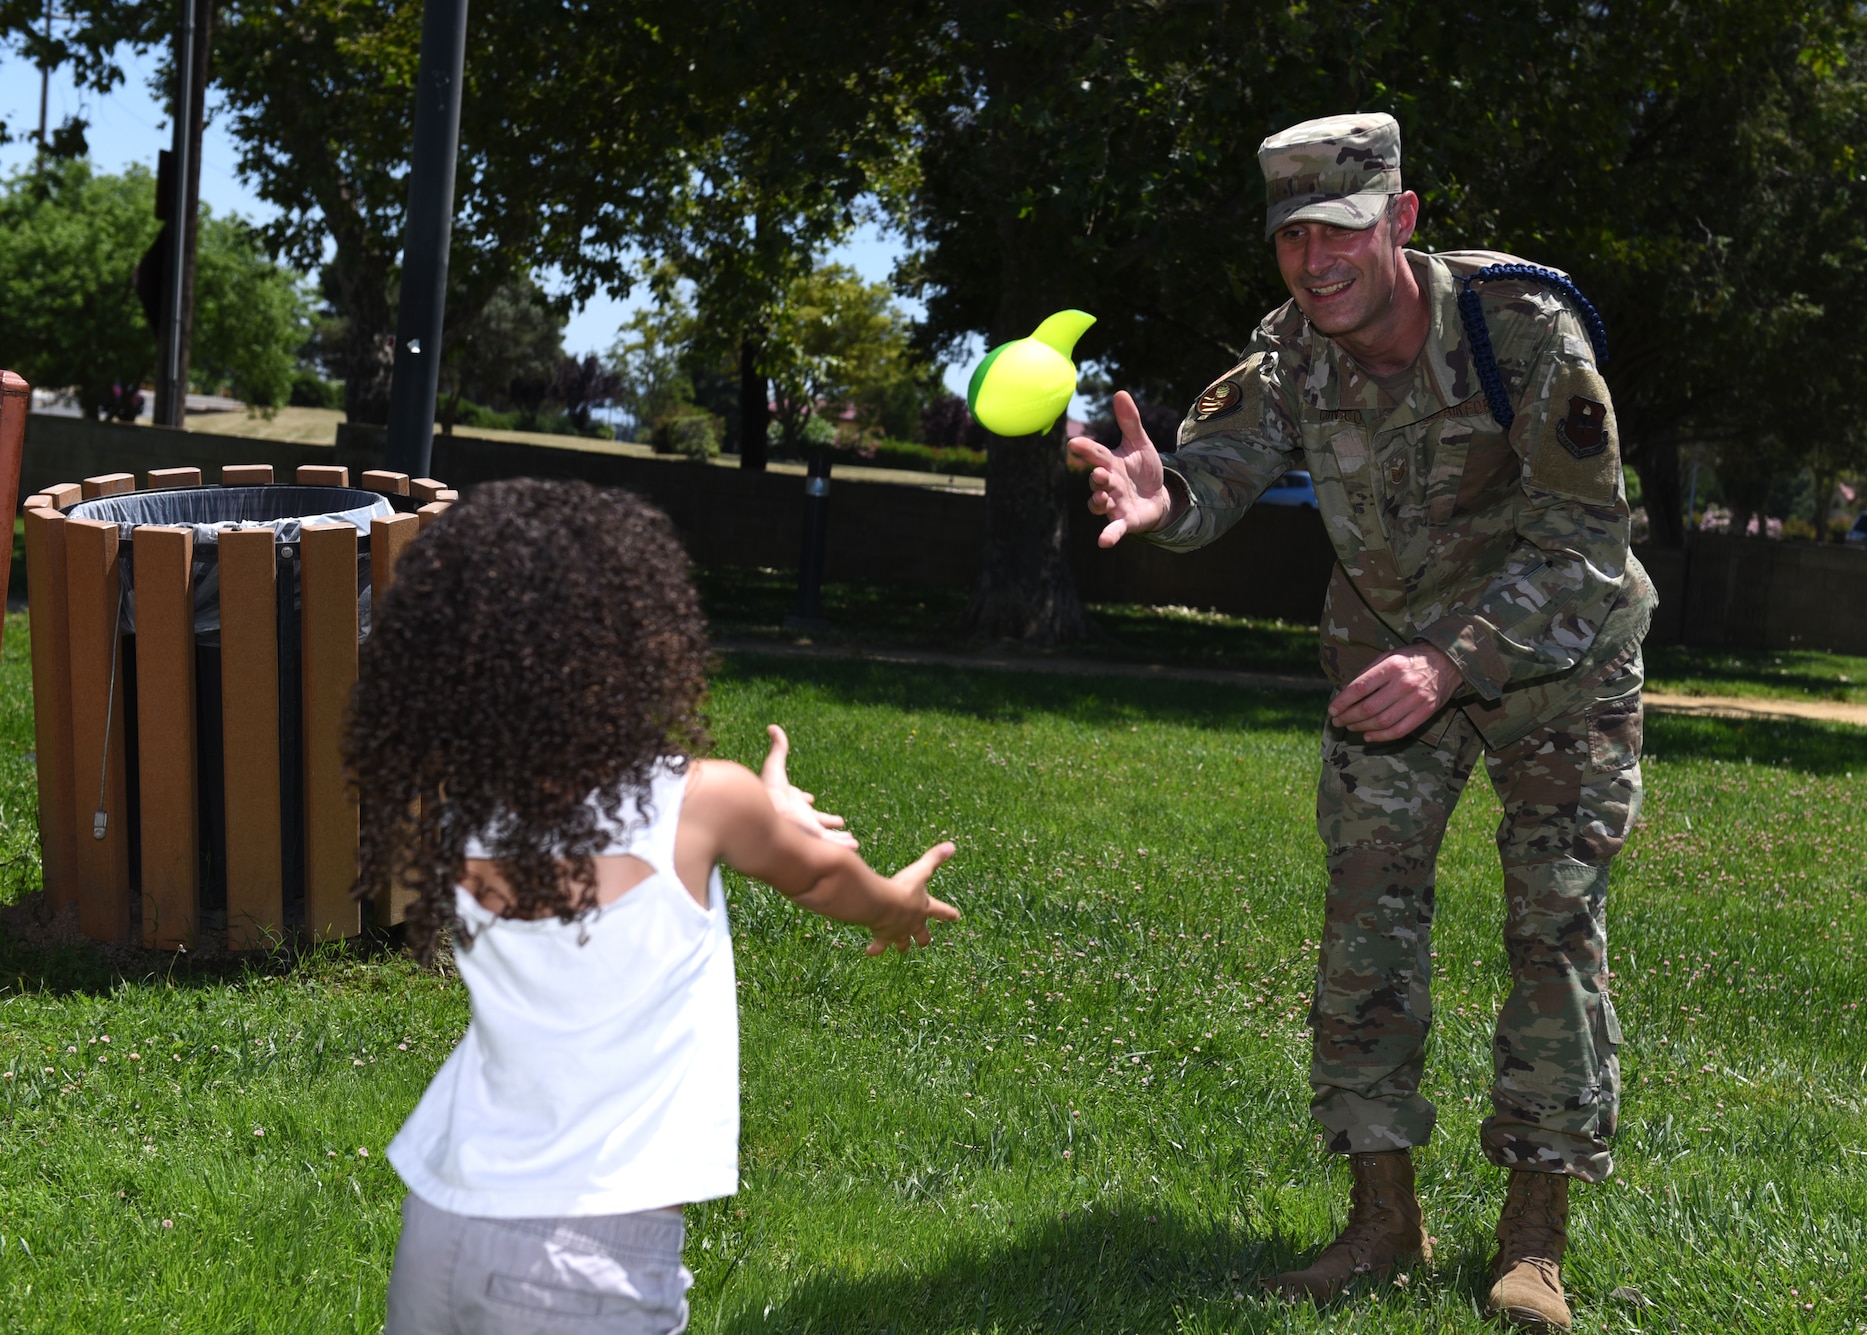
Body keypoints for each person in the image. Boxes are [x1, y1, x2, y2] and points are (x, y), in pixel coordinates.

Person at [1068, 114, 1654, 1331]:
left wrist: (1453, 662)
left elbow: (1585, 545)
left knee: (1553, 927)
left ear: (1399, 218)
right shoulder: (1289, 350)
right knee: (1365, 924)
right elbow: (1215, 475)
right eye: (1290, 236)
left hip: (1554, 659)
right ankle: (1381, 1220)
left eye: (1337, 229)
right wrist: (1160, 494)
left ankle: (1531, 1243)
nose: (1312, 259)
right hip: (1386, 663)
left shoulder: (1518, 330)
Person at [346, 478, 960, 1334]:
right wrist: (893, 904)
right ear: (634, 642)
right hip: (589, 1250)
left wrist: (760, 813)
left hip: (443, 1218)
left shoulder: (471, 805)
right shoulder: (704, 801)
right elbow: (822, 879)